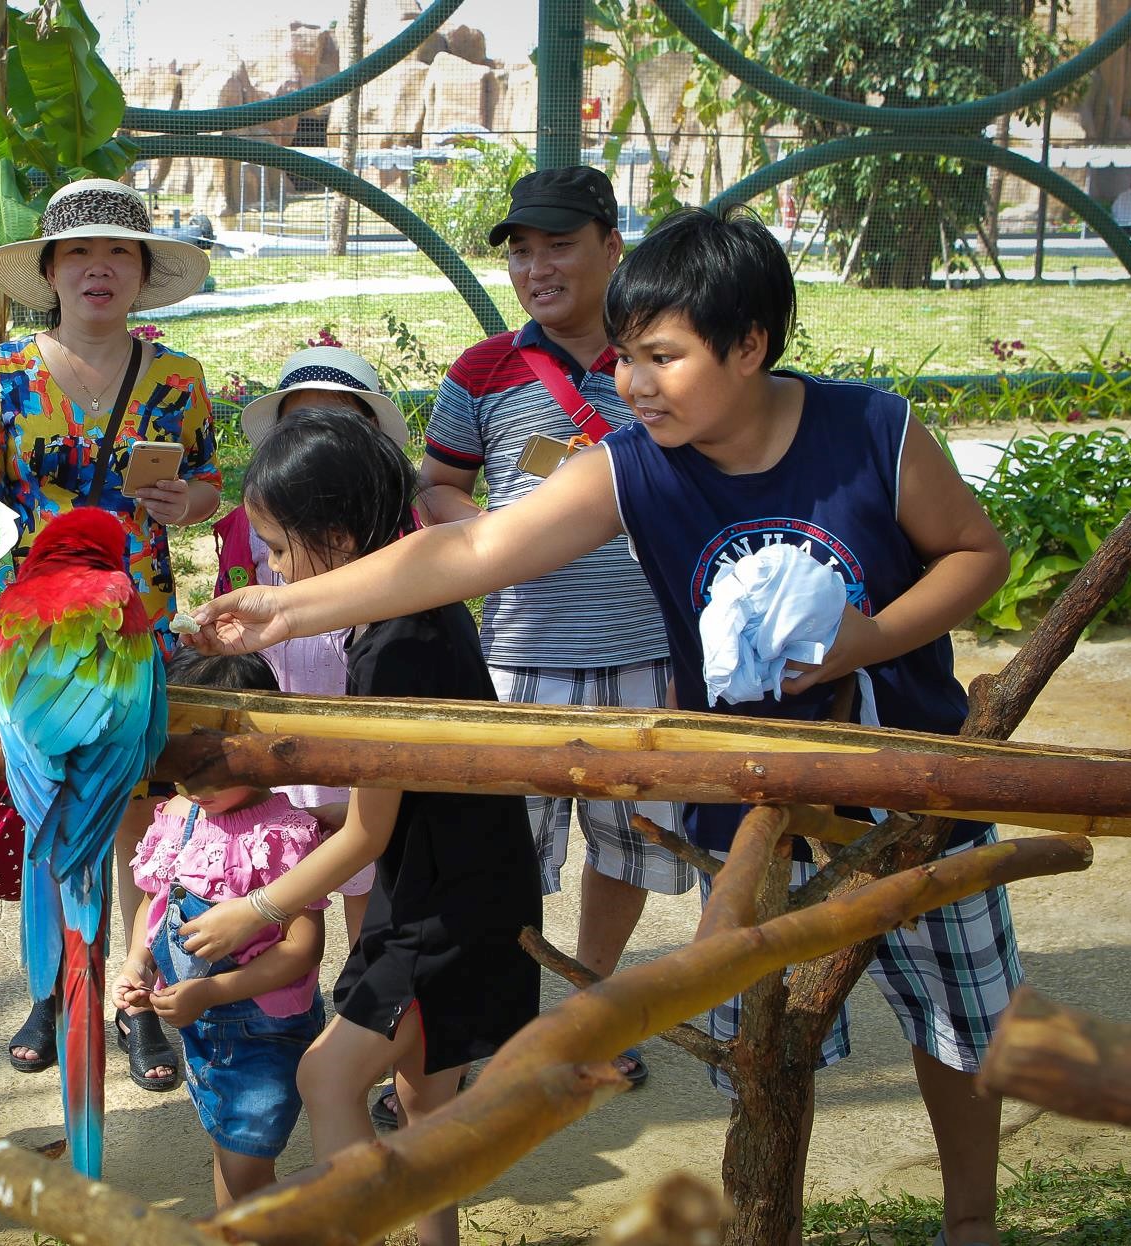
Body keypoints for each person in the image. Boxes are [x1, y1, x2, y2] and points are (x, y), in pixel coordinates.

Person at [195, 207, 1018, 1246]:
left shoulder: (871, 432)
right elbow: (468, 553)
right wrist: (291, 606)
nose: (630, 383)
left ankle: (971, 1221)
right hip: (752, 802)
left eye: (661, 357)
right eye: (625, 357)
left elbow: (972, 553)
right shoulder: (632, 465)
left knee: (957, 1020)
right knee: (764, 1041)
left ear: (749, 343)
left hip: (913, 781)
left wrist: (866, 639)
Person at [180, 409, 543, 1246]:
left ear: (336, 539)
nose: (270, 567)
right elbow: (394, 799)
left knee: (327, 1077)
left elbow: (368, 835)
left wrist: (259, 909)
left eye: (276, 547)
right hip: (467, 873)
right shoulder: (420, 609)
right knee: (422, 1098)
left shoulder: (391, 649)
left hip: (438, 901)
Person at [416, 165, 690, 1093]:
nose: (537, 268)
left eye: (558, 246)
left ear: (613, 246)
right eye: (522, 252)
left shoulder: (664, 360)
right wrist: (493, 538)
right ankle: (498, 1023)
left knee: (627, 843)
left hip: (649, 653)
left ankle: (592, 1004)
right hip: (518, 655)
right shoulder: (481, 372)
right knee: (499, 855)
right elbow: (436, 484)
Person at [0, 177, 222, 1092]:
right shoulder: (1, 376)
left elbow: (209, 489)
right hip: (34, 639)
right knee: (46, 812)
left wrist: (178, 501)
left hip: (134, 628)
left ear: (143, 272)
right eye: (78, 253)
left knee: (138, 820)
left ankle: (133, 997)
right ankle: (51, 985)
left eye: (118, 253)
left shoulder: (177, 378)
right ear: (50, 271)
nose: (98, 269)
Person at [115, 649, 330, 1207]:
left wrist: (212, 991)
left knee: (246, 1168)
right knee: (228, 1150)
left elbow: (303, 949)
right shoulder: (180, 814)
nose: (196, 783)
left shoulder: (283, 832)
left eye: (214, 764)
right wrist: (137, 965)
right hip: (200, 1022)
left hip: (261, 1028)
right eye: (181, 763)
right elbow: (153, 902)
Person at [225, 345, 411, 942]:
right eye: (299, 422)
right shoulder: (249, 524)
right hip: (284, 720)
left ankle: (363, 990)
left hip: (356, 728)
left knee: (363, 883)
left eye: (336, 421)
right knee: (290, 871)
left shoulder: (404, 548)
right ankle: (291, 1006)